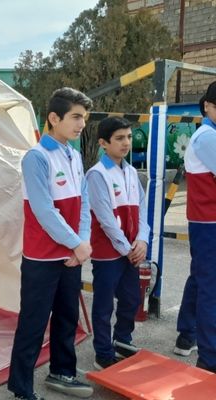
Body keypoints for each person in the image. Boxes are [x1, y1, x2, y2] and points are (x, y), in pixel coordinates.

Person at [8, 88, 94, 400]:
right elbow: (44, 211)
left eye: (83, 118)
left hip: (71, 254)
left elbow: (83, 202)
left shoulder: (74, 155)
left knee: (67, 316)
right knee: (33, 323)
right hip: (42, 259)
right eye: (75, 117)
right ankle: (21, 387)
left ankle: (62, 372)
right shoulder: (36, 158)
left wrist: (81, 242)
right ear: (54, 118)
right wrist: (76, 244)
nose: (81, 124)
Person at [86, 117, 149, 370]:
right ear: (103, 143)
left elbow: (142, 209)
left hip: (131, 250)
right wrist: (127, 249)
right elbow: (105, 219)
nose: (126, 143)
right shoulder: (96, 175)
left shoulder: (132, 172)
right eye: (120, 138)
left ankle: (122, 341)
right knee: (103, 304)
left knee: (131, 299)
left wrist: (142, 240)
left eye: (129, 137)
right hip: (108, 253)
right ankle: (103, 352)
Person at [174, 81, 216, 371]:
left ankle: (186, 335)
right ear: (208, 106)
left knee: (201, 278)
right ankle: (210, 358)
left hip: (206, 221)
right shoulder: (207, 137)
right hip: (208, 221)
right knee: (210, 286)